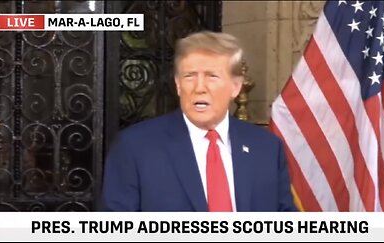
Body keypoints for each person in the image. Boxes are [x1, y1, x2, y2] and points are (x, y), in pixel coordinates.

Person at [100, 31, 297, 212]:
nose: (199, 87)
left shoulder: (267, 148)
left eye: (212, 76)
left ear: (236, 87)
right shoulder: (135, 147)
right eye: (189, 76)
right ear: (178, 85)